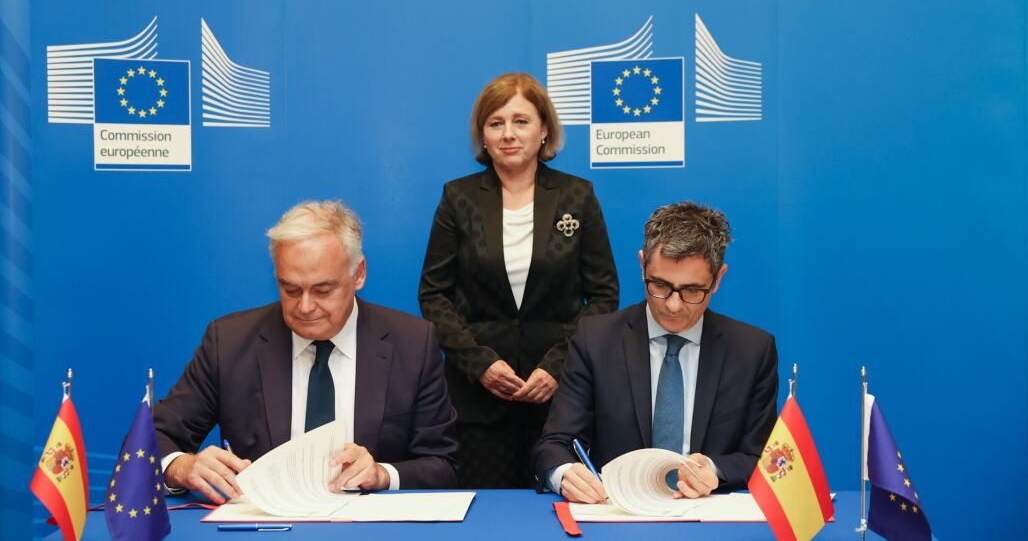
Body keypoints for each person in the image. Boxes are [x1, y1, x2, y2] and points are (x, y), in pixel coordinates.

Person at [154, 200, 459, 503]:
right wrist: (182, 467)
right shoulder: (230, 343)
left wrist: (382, 474)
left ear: (358, 274)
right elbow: (152, 439)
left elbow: (443, 465)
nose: (305, 306)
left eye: (323, 290)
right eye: (290, 289)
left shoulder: (412, 344)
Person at [419, 73, 619, 488]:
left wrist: (558, 366)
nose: (508, 133)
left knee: (563, 505)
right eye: (496, 123)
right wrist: (480, 365)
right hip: (477, 403)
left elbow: (603, 296)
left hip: (560, 400)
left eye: (521, 121)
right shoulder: (458, 198)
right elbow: (434, 295)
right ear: (483, 135)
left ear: (544, 129)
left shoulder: (577, 196)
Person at [532, 201, 778, 502]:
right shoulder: (595, 340)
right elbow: (554, 445)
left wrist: (714, 470)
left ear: (718, 279)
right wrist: (564, 473)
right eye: (660, 285)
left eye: (692, 290)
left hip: (706, 514)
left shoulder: (752, 351)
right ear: (642, 266)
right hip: (617, 512)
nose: (673, 305)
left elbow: (762, 457)